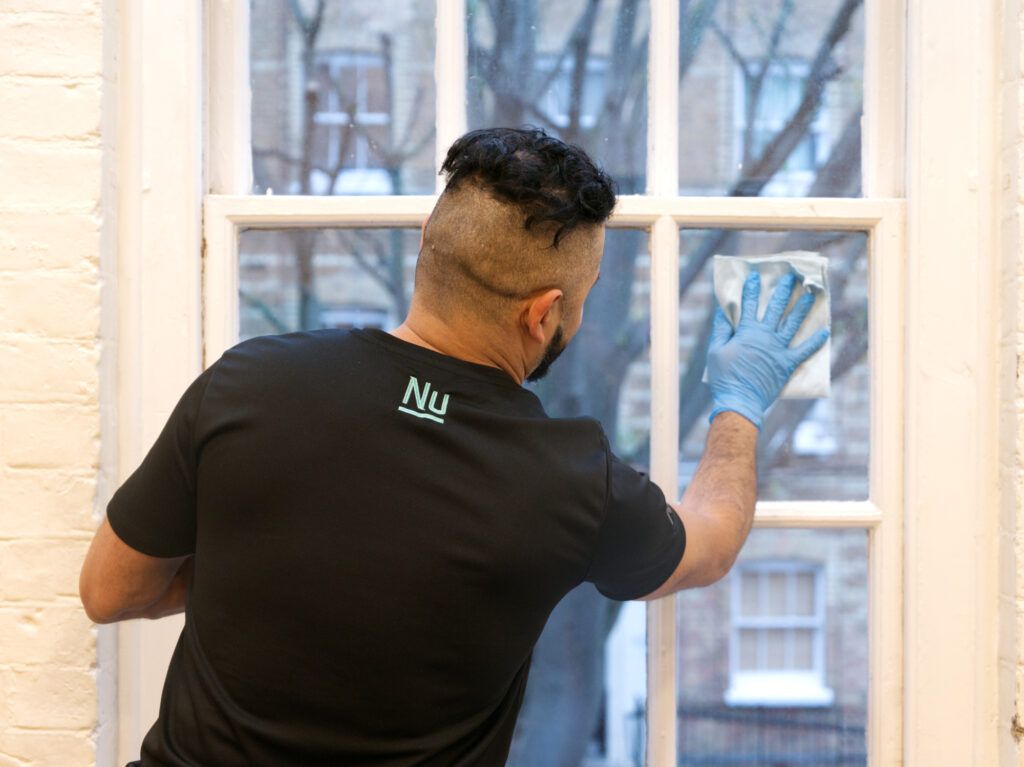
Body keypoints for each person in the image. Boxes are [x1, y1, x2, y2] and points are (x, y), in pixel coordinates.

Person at [80, 127, 828, 767]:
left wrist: (256, 558)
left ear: (427, 251)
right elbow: (710, 542)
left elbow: (109, 590)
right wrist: (741, 401)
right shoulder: (569, 480)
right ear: (543, 314)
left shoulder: (249, 379)